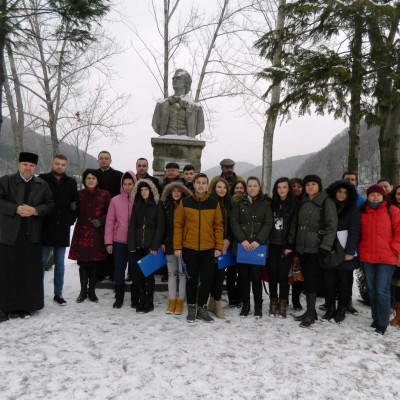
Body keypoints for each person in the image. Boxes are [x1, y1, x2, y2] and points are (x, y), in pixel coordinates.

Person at [0, 152, 54, 322]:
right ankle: (5, 307)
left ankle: (26, 306)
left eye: (31, 165)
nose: (28, 168)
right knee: (7, 271)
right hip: (9, 235)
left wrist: (36, 210)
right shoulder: (6, 181)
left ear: (35, 167)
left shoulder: (42, 184)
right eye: (25, 164)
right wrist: (15, 209)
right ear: (19, 165)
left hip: (32, 235)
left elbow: (50, 204)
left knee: (28, 272)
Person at [174, 173, 223, 323]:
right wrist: (178, 247)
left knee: (207, 280)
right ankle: (191, 307)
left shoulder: (214, 203)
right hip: (189, 247)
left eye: (203, 183)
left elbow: (218, 226)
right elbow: (178, 225)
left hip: (208, 248)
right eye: (198, 182)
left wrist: (218, 246)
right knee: (191, 280)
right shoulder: (185, 202)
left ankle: (202, 308)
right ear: (194, 184)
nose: (201, 185)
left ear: (207, 185)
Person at [294, 175, 338, 328]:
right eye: (307, 185)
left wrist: (326, 246)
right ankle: (309, 311)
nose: (310, 187)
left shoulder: (326, 202)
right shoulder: (304, 201)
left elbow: (332, 226)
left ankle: (311, 313)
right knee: (307, 279)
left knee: (312, 280)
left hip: (316, 247)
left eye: (313, 184)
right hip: (302, 247)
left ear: (319, 186)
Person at [359, 184, 400, 335]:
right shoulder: (362, 211)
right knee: (371, 289)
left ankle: (382, 322)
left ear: (383, 196)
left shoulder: (392, 210)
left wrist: (394, 248)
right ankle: (376, 318)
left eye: (378, 194)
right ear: (367, 196)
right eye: (372, 194)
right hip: (367, 256)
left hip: (386, 257)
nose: (375, 197)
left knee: (382, 289)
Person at [230, 176, 273, 319]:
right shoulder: (239, 203)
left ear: (259, 188)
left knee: (256, 277)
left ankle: (258, 307)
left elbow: (268, 223)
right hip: (243, 246)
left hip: (257, 247)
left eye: (255, 186)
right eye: (249, 186)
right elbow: (234, 222)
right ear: (246, 188)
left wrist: (259, 240)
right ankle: (246, 305)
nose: (252, 188)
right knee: (243, 278)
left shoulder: (265, 204)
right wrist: (242, 240)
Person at [40, 154, 79, 306]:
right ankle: (37, 294)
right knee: (41, 262)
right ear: (52, 163)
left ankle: (58, 294)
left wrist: (71, 219)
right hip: (45, 227)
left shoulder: (71, 182)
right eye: (57, 164)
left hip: (62, 228)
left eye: (63, 164)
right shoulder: (43, 179)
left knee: (60, 263)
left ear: (66, 166)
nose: (60, 167)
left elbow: (74, 203)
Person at [69, 169, 111, 303]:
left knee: (94, 263)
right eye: (88, 178)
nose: (91, 180)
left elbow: (110, 213)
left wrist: (101, 220)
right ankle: (83, 291)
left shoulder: (104, 195)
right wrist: (72, 208)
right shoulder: (79, 194)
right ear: (84, 180)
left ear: (97, 180)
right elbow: (74, 214)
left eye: (93, 178)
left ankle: (92, 291)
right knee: (82, 263)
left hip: (96, 233)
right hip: (82, 232)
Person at [323, 180, 361, 323]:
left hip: (345, 249)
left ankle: (342, 309)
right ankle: (330, 307)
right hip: (329, 248)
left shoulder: (353, 208)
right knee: (329, 280)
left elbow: (355, 230)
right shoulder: (328, 205)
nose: (341, 195)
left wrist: (350, 251)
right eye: (339, 191)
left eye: (345, 192)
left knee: (345, 281)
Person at [128, 179, 165, 313]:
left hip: (150, 246)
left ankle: (150, 301)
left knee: (149, 275)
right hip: (138, 245)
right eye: (141, 190)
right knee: (139, 275)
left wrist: (155, 246)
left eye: (146, 190)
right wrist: (132, 244)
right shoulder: (137, 205)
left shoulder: (157, 205)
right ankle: (141, 299)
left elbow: (160, 227)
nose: (144, 192)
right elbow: (132, 225)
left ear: (151, 191)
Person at [104, 171, 137, 309]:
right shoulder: (115, 200)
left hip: (135, 242)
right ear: (121, 185)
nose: (127, 187)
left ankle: (135, 298)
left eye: (130, 184)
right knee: (119, 269)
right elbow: (110, 221)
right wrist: (108, 242)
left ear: (134, 184)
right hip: (119, 241)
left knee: (135, 269)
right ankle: (119, 297)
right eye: (125, 184)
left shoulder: (139, 199)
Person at [160, 182, 192, 315]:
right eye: (174, 191)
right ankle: (172, 301)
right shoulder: (164, 206)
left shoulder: (187, 206)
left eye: (179, 191)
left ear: (183, 193)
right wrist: (162, 241)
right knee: (172, 274)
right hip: (169, 244)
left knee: (182, 274)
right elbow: (161, 225)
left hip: (184, 245)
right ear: (170, 193)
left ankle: (180, 301)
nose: (176, 193)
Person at [268, 177, 297, 319]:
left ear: (289, 189)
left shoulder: (293, 205)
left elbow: (293, 226)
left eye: (284, 187)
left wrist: (289, 245)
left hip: (285, 246)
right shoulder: (272, 203)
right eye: (279, 187)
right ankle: (273, 301)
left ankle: (283, 303)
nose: (282, 190)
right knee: (272, 274)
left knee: (283, 275)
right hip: (272, 244)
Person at [152, 69, 205, 138]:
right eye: (173, 78)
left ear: (186, 83)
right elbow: (156, 126)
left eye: (178, 78)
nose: (174, 80)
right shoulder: (161, 105)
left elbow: (200, 128)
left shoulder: (196, 108)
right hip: (166, 142)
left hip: (188, 143)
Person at [208, 178, 232, 319]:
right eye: (219, 187)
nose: (222, 189)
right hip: (211, 244)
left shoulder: (229, 204)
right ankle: (212, 302)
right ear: (214, 188)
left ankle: (216, 303)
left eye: (224, 187)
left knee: (220, 274)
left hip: (225, 245)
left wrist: (228, 239)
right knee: (210, 274)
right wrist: (216, 244)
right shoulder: (210, 203)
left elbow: (232, 224)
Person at [226, 179, 247, 307]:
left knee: (242, 272)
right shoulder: (228, 203)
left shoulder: (247, 203)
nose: (239, 190)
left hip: (242, 241)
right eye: (237, 188)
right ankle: (231, 297)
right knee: (231, 271)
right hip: (229, 241)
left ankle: (240, 297)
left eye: (241, 188)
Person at [289, 178, 304, 310]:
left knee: (298, 275)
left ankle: (295, 300)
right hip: (286, 242)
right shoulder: (286, 201)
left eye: (299, 186)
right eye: (293, 186)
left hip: (300, 243)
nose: (296, 188)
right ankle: (283, 299)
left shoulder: (305, 202)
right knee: (285, 273)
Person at [390, 185, 400, 327]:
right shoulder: (390, 209)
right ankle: (398, 315)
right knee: (397, 284)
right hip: (395, 251)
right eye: (398, 193)